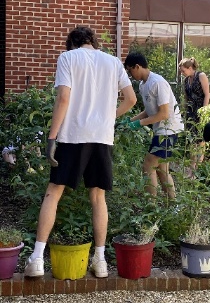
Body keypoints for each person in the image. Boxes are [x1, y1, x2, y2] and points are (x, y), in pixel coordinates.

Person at [24, 26, 137, 278]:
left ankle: (37, 259)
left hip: (73, 135)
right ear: (93, 41)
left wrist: (51, 137)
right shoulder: (113, 62)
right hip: (101, 137)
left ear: (72, 43)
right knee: (98, 198)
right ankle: (100, 260)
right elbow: (131, 99)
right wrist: (109, 117)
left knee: (53, 192)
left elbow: (63, 98)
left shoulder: (68, 58)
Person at [123, 52, 184, 199]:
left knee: (148, 165)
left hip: (169, 129)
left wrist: (139, 124)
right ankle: (172, 204)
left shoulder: (158, 82)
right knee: (162, 169)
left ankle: (151, 205)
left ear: (137, 66)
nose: (130, 75)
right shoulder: (144, 84)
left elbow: (163, 114)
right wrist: (130, 121)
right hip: (161, 130)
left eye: (130, 70)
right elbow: (149, 111)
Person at [178, 57, 210, 177]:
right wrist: (183, 110)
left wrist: (204, 111)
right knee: (191, 140)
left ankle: (198, 169)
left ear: (190, 68)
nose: (182, 73)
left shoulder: (201, 76)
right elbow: (186, 97)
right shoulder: (186, 80)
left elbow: (207, 94)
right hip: (190, 112)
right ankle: (191, 168)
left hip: (201, 110)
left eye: (183, 71)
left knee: (200, 140)